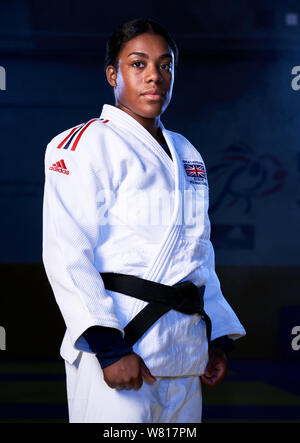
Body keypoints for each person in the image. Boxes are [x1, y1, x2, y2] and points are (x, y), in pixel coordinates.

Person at [42, 17, 246, 423]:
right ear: (112, 74)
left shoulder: (187, 153)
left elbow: (197, 251)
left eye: (165, 65)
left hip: (184, 355)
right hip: (120, 351)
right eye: (138, 64)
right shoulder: (81, 144)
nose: (154, 76)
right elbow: (67, 251)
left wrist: (216, 338)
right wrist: (109, 348)